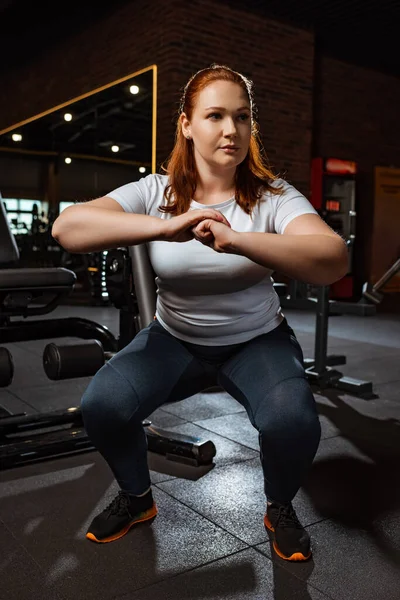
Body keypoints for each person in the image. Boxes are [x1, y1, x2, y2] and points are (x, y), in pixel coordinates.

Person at [52, 64, 348, 561]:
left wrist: (237, 240)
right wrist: (162, 227)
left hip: (256, 340)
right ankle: (137, 499)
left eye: (242, 117)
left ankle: (278, 507)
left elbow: (332, 259)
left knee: (292, 421)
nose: (231, 130)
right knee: (102, 407)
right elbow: (68, 228)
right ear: (187, 124)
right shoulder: (156, 192)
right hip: (175, 339)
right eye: (215, 116)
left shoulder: (272, 196)